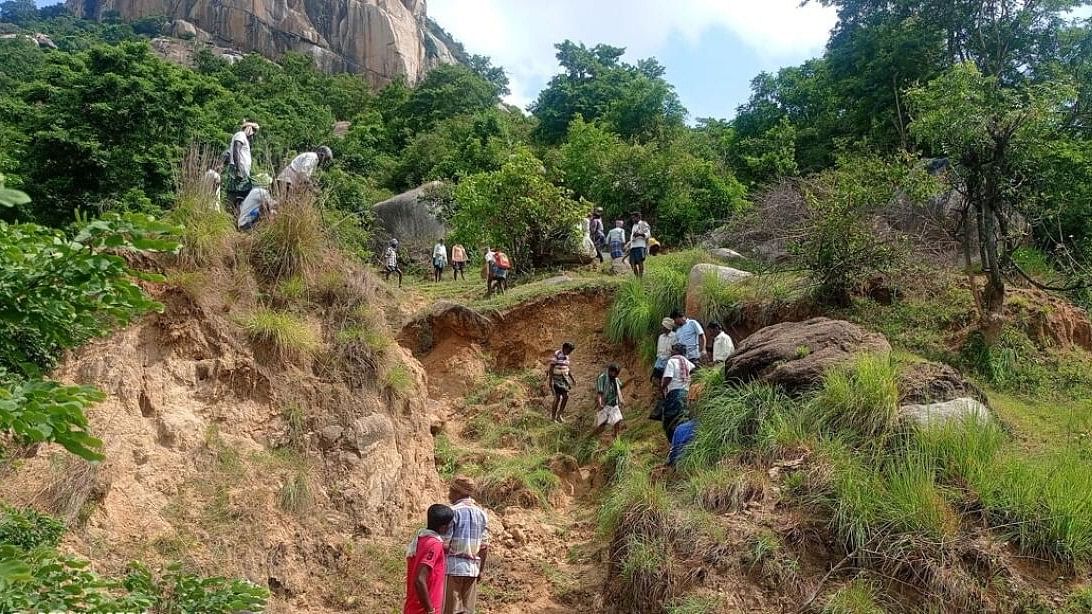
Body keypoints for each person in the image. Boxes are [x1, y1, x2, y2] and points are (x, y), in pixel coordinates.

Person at [444, 476, 490, 614]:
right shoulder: (482, 514)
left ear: (457, 492)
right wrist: (480, 571)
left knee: (450, 610)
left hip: (453, 568)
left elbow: (445, 544)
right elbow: (484, 547)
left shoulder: (452, 512)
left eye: (450, 491)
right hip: (472, 570)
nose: (449, 494)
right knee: (468, 611)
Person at [404, 504, 454, 614]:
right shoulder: (434, 545)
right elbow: (419, 579)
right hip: (423, 609)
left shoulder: (422, 538)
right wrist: (430, 610)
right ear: (443, 527)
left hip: (414, 606)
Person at [660, 343, 695, 441]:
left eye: (673, 350)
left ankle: (673, 441)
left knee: (670, 419)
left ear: (677, 351)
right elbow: (694, 376)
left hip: (674, 394)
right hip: (686, 395)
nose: (671, 352)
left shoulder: (672, 361)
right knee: (683, 417)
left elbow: (668, 377)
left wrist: (662, 387)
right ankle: (684, 440)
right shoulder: (689, 363)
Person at [226, 121, 260, 208]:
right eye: (253, 132)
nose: (253, 136)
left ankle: (238, 217)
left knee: (243, 197)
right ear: (249, 129)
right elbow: (236, 149)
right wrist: (238, 170)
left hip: (243, 173)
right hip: (238, 171)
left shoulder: (244, 138)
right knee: (234, 195)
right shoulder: (240, 135)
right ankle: (230, 216)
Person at [591, 363, 625, 441]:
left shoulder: (616, 380)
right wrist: (600, 404)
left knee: (618, 420)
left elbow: (620, 387)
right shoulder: (602, 378)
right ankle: (591, 439)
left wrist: (630, 380)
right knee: (601, 426)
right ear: (609, 371)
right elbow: (600, 393)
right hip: (605, 403)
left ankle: (617, 439)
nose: (614, 375)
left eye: (616, 373)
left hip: (614, 404)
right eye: (612, 372)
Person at [546, 342, 576, 423]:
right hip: (556, 379)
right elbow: (551, 367)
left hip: (564, 379)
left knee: (566, 396)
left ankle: (559, 415)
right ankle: (553, 417)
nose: (570, 352)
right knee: (557, 397)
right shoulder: (557, 354)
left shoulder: (567, 357)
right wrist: (550, 380)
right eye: (569, 350)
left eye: (571, 351)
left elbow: (567, 369)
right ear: (565, 348)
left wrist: (572, 379)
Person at [652, 318, 677, 385]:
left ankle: (664, 393)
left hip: (668, 360)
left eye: (663, 326)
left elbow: (675, 349)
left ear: (667, 327)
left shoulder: (674, 336)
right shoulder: (661, 337)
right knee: (655, 379)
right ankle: (658, 393)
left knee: (666, 381)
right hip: (659, 360)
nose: (662, 328)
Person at [629, 211, 652, 278]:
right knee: (631, 263)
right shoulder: (634, 225)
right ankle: (637, 277)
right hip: (633, 246)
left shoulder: (643, 224)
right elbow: (632, 236)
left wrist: (639, 234)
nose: (633, 219)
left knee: (639, 262)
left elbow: (648, 234)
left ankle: (640, 278)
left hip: (640, 246)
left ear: (638, 217)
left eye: (634, 218)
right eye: (632, 218)